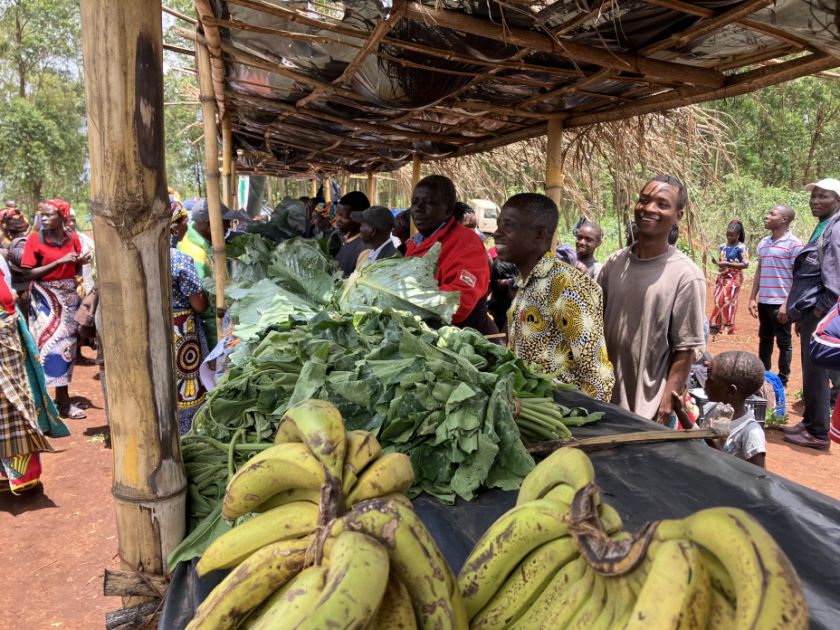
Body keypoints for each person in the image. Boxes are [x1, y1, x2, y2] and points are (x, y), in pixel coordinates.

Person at [599, 176, 706, 424]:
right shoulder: (614, 263)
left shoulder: (686, 276)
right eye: (644, 200)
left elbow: (686, 349)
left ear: (678, 215)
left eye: (662, 204)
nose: (649, 209)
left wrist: (665, 407)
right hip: (602, 399)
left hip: (647, 408)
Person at [495, 193, 614, 401]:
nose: (497, 233)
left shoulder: (568, 285)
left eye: (508, 226)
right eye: (498, 225)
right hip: (530, 412)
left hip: (562, 415)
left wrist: (586, 419)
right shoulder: (525, 283)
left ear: (540, 235)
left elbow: (596, 374)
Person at [19, 199, 90, 419]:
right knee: (48, 347)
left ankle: (62, 399)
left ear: (62, 217)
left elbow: (74, 268)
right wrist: (59, 262)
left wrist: (80, 262)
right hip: (45, 300)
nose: (44, 218)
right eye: (42, 215)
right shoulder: (34, 239)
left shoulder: (73, 238)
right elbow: (27, 273)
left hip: (68, 297)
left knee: (66, 348)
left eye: (49, 215)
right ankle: (50, 403)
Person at [783, 178, 840, 450]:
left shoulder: (836, 230)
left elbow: (835, 280)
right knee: (810, 368)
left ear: (837, 200)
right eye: (813, 196)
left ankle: (817, 432)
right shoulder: (824, 225)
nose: (815, 201)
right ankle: (809, 422)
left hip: (820, 312)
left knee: (817, 371)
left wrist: (818, 311)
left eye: (823, 196)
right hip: (811, 311)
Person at [406, 175, 497, 335]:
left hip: (465, 342)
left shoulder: (467, 243)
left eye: (428, 202)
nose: (418, 208)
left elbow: (457, 302)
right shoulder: (416, 243)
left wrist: (404, 300)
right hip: (427, 336)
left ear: (448, 209)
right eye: (415, 202)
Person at [0, 271, 54, 493]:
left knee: (13, 404)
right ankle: (13, 474)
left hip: (7, 336)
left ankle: (16, 475)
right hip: (6, 336)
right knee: (9, 405)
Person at [672, 351, 767, 468]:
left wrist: (714, 445)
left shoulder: (750, 432)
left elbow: (759, 474)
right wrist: (680, 410)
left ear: (730, 391)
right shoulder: (713, 409)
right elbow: (698, 438)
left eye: (710, 379)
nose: (705, 383)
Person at [747, 205, 803, 388]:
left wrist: (787, 304)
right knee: (765, 339)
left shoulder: (795, 244)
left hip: (781, 303)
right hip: (764, 301)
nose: (767, 216)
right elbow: (760, 270)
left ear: (784, 220)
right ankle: (764, 377)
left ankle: (783, 380)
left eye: (772, 214)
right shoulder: (764, 242)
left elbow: (799, 277)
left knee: (784, 343)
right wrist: (753, 297)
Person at [170, 203, 210, 435]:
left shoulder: (139, 258)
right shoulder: (179, 260)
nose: (188, 227)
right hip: (182, 330)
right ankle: (186, 434)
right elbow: (199, 304)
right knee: (187, 385)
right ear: (174, 228)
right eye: (185, 222)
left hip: (153, 328)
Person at [709, 220, 749, 336]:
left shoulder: (742, 248)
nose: (729, 237)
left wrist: (727, 263)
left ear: (738, 235)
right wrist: (717, 263)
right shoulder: (722, 247)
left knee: (726, 299)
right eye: (728, 235)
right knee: (718, 299)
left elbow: (745, 264)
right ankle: (723, 325)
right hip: (722, 276)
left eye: (732, 235)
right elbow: (722, 261)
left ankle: (724, 325)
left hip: (735, 277)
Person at [333, 191, 370, 277]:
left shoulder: (365, 250)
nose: (337, 220)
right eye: (336, 214)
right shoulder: (342, 238)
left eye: (342, 216)